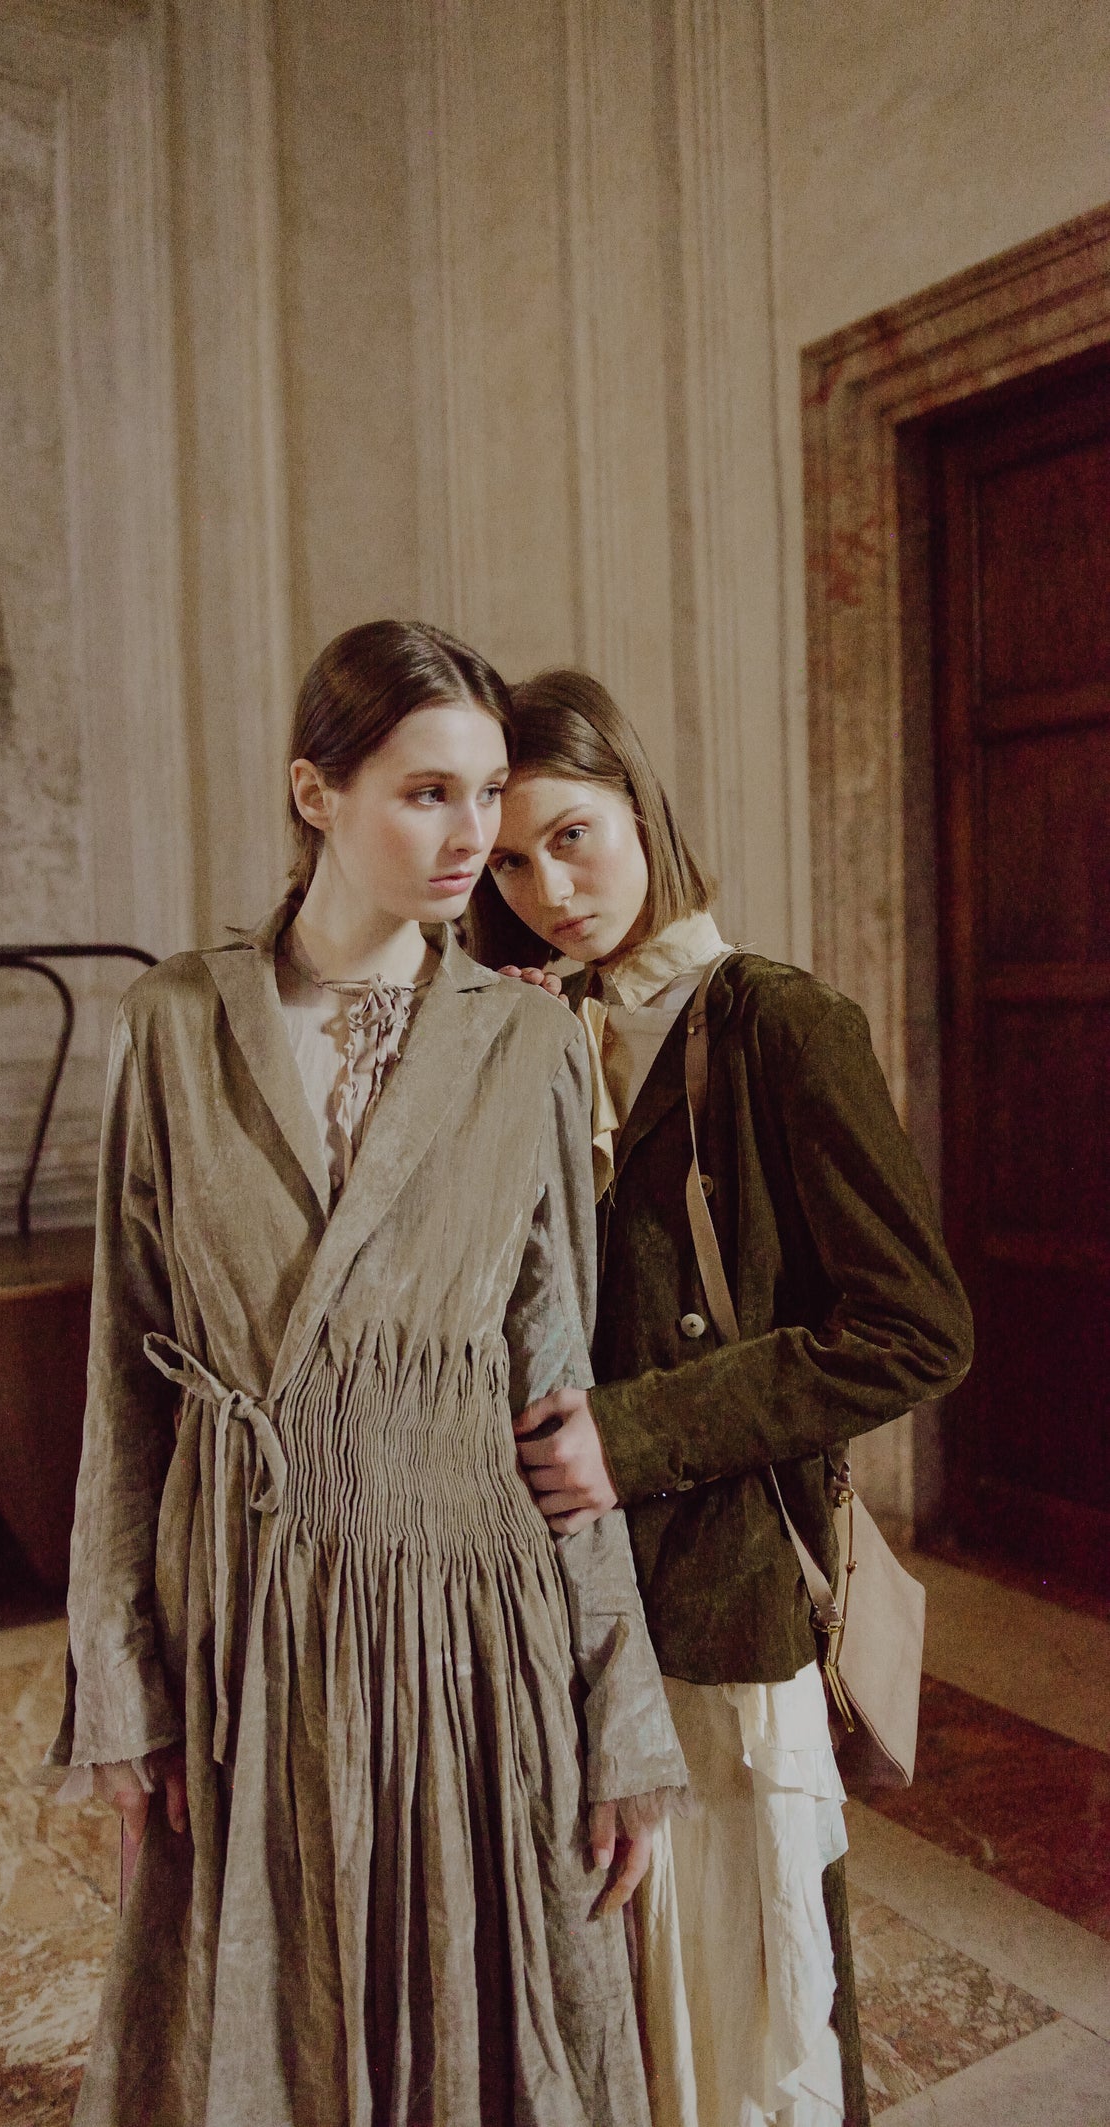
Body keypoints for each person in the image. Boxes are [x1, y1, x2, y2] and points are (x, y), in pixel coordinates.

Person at [47, 624, 690, 2127]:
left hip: (471, 1616)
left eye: (489, 795)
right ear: (315, 793)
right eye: (427, 794)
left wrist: (619, 1711)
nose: (476, 838)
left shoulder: (526, 1046)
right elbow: (120, 1387)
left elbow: (555, 1397)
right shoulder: (172, 1028)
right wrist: (121, 1683)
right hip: (244, 1606)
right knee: (265, 2021)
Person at [470, 668, 974, 2127]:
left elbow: (914, 1330)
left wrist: (631, 1440)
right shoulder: (539, 1026)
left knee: (751, 2026)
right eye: (512, 861)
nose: (551, 887)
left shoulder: (778, 1025)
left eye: (573, 835)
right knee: (611, 2009)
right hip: (565, 1601)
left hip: (725, 1595)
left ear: (640, 804)